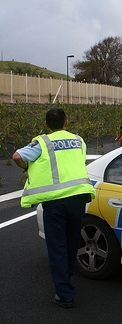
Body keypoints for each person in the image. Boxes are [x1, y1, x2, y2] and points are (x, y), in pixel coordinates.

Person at [12, 108, 96, 308]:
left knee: (57, 245)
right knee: (72, 240)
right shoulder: (78, 140)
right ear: (66, 123)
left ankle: (65, 293)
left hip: (55, 200)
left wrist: (26, 167)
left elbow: (16, 156)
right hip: (78, 197)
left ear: (47, 124)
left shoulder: (42, 142)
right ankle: (66, 274)